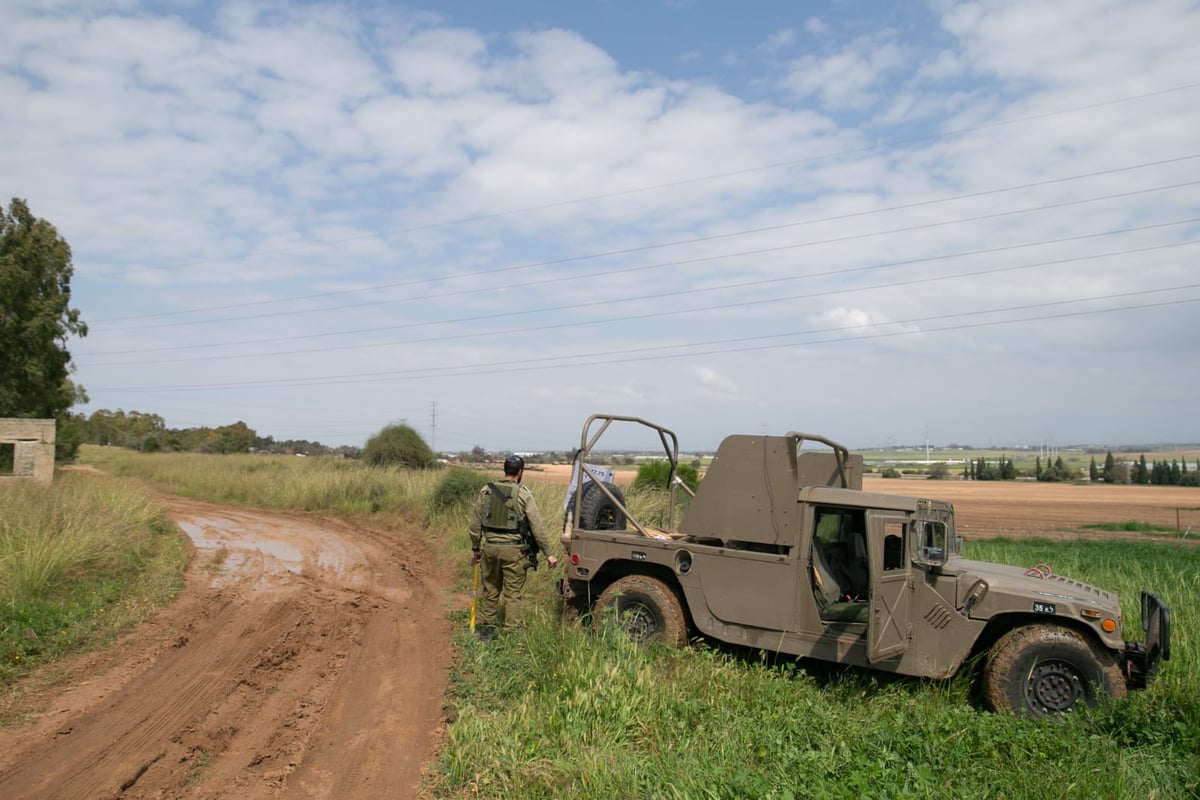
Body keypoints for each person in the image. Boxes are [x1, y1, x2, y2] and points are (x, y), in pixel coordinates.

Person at [468, 454, 558, 640]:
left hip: (490, 548)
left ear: (504, 469)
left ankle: (487, 630)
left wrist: (476, 549)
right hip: (514, 551)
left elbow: (475, 524)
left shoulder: (486, 491)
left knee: (490, 590)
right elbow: (537, 528)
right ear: (520, 472)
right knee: (513, 594)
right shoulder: (524, 494)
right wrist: (548, 553)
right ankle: (511, 634)